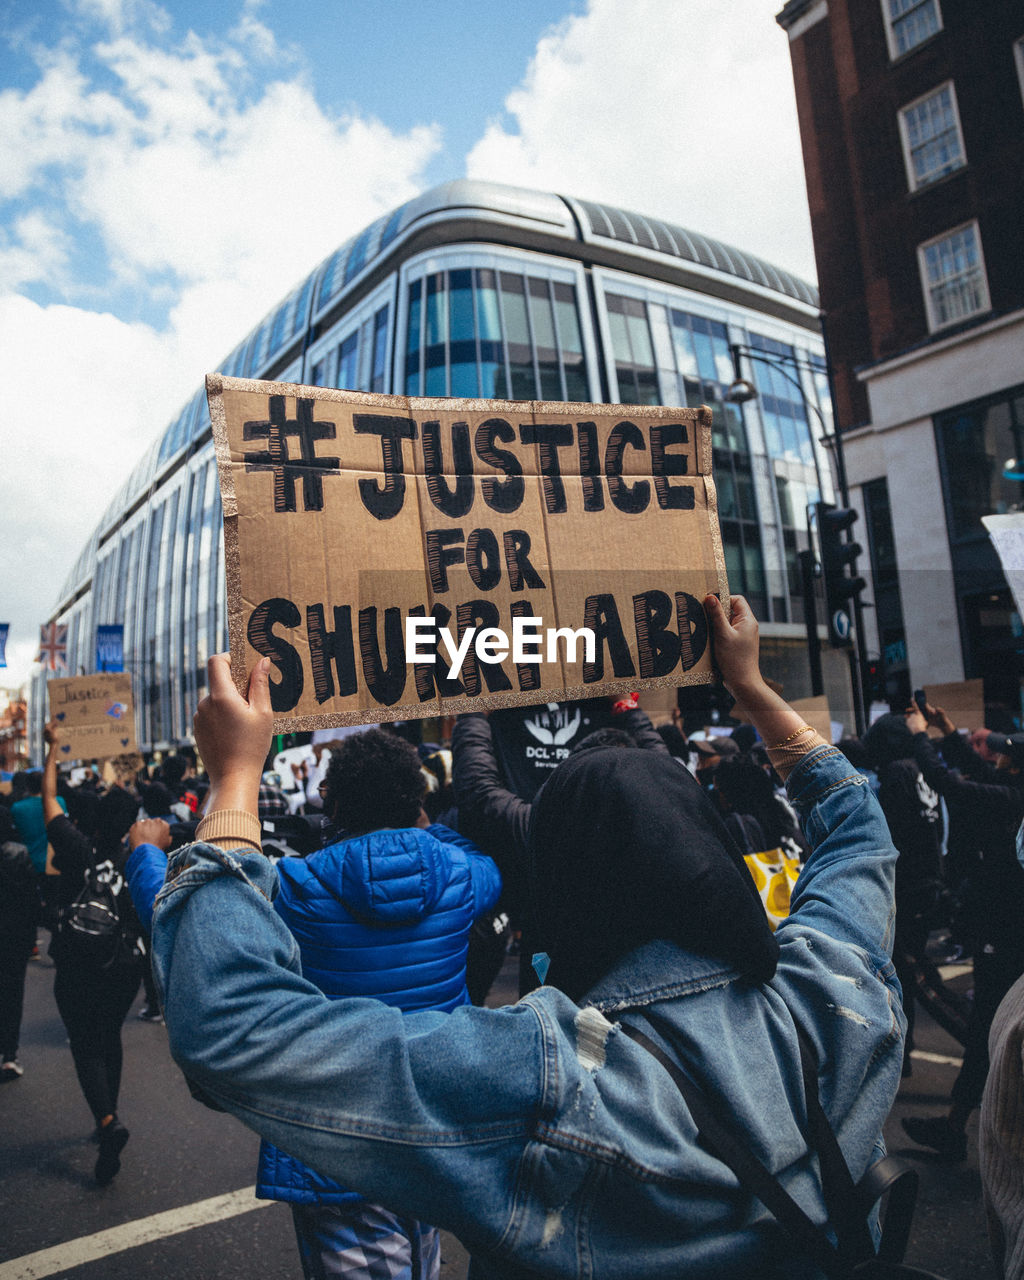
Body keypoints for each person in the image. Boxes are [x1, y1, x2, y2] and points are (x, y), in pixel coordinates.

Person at [148, 594, 906, 1279]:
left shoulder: (545, 1073)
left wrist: (233, 782)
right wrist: (752, 686)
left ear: (560, 888)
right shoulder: (831, 984)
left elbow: (231, 1026)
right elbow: (855, 825)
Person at [129, 727, 501, 1280]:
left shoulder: (296, 885)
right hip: (434, 1126)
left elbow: (198, 913)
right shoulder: (462, 877)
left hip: (340, 1137)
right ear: (417, 800)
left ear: (331, 799)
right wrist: (421, 828)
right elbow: (478, 852)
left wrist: (144, 856)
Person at [900, 705, 1024, 1162]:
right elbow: (972, 768)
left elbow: (950, 783)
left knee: (989, 1030)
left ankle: (958, 1129)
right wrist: (948, 731)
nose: (995, 757)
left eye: (1004, 754)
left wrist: (920, 738)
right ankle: (955, 1125)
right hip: (1005, 930)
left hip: (1008, 934)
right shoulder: (1013, 791)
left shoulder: (1011, 798)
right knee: (988, 1031)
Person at [40, 723, 145, 1185]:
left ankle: (107, 1122)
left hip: (79, 958)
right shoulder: (136, 858)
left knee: (84, 1043)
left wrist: (52, 750)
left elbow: (49, 798)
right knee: (110, 1037)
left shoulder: (76, 845)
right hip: (124, 966)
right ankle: (110, 1111)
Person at [0, 808, 39, 1080]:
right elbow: (30, 897)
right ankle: (9, 1055)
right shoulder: (19, 852)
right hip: (14, 932)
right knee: (12, 992)